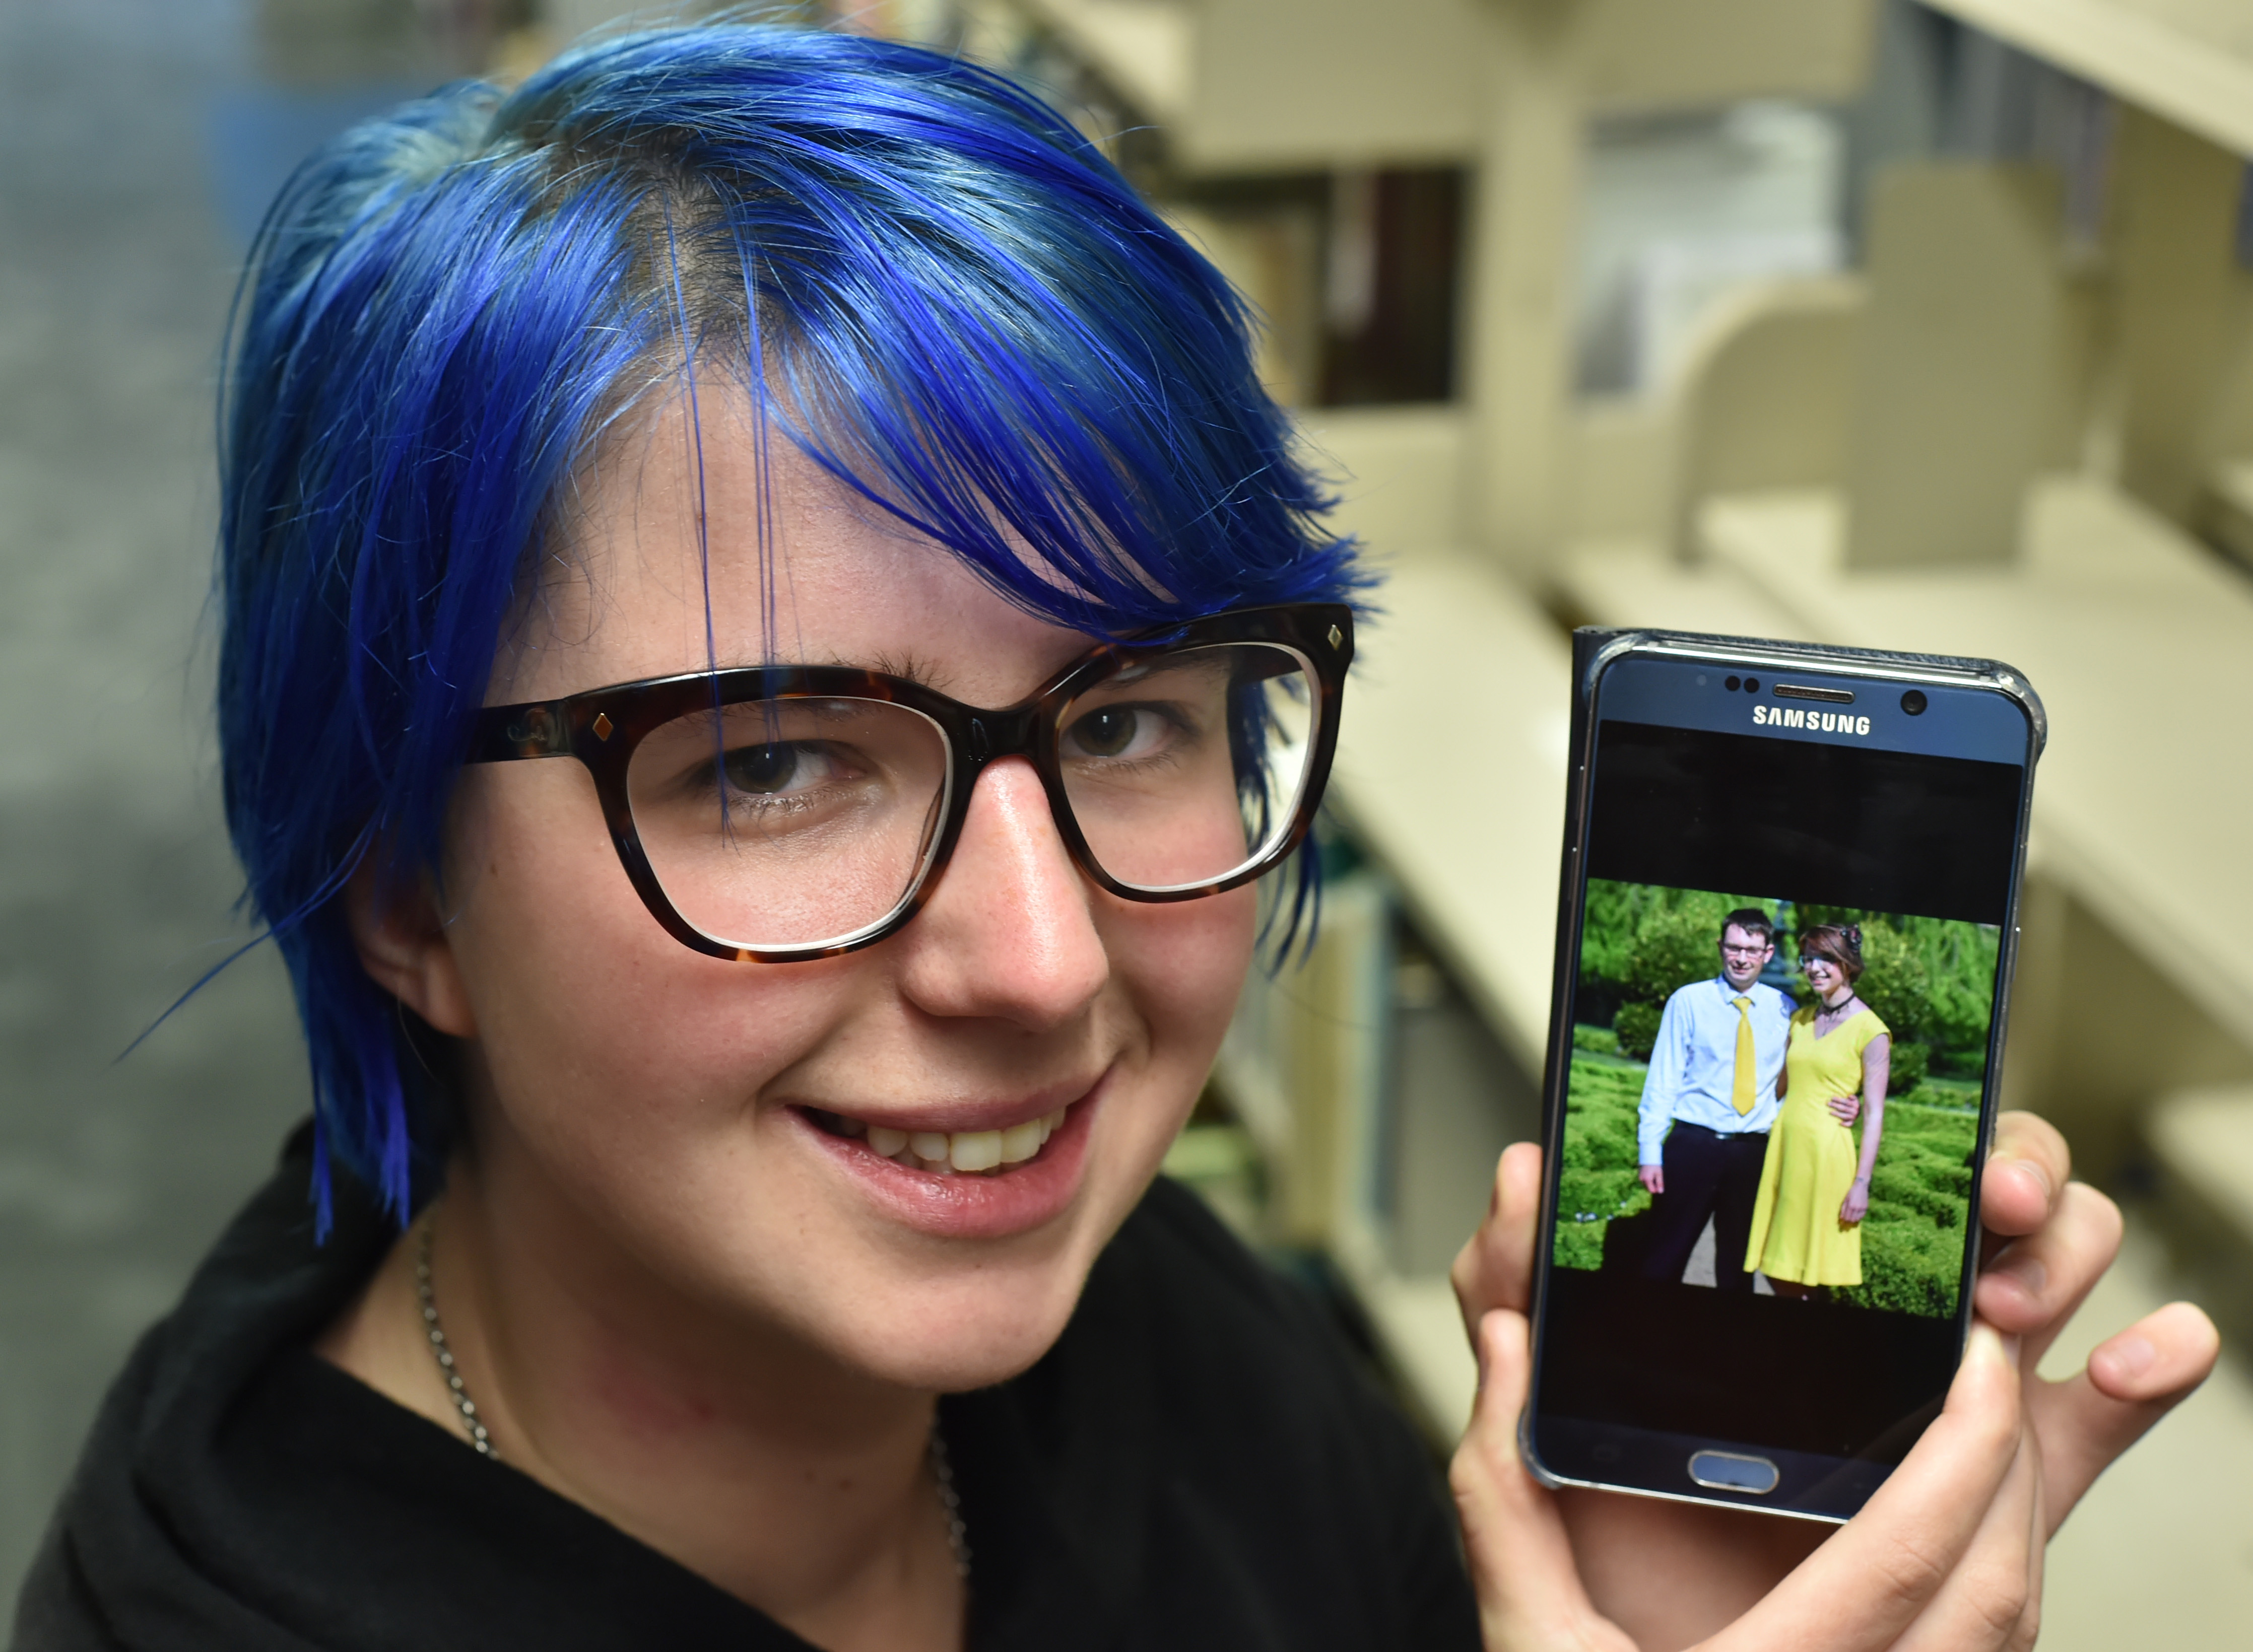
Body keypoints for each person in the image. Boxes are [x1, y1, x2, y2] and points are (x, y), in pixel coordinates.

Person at [13, 21, 2221, 1652]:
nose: (1048, 964)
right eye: (772, 761)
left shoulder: (1153, 1329)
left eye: (1137, 713)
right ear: (405, 890)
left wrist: (1624, 1610)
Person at [1633, 908, 1856, 1290]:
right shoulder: (1688, 1001)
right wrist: (1649, 1150)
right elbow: (1662, 1079)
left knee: (1738, 1270)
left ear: (1768, 953)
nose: (1742, 958)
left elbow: (1807, 1077)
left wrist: (1847, 1103)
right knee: (1662, 1260)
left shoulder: (1789, 1012)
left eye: (1752, 950)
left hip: (1753, 1154)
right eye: (1734, 948)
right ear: (1721, 947)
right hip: (1693, 1144)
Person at [1745, 924, 1888, 1297]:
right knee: (1777, 1265)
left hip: (1828, 1160)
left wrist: (1861, 1184)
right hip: (1786, 1151)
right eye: (1808, 958)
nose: (1814, 967)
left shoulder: (1872, 1032)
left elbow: (1875, 1114)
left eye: (1825, 958)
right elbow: (1781, 1087)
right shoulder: (1801, 1019)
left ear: (1849, 964)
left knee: (1815, 1273)